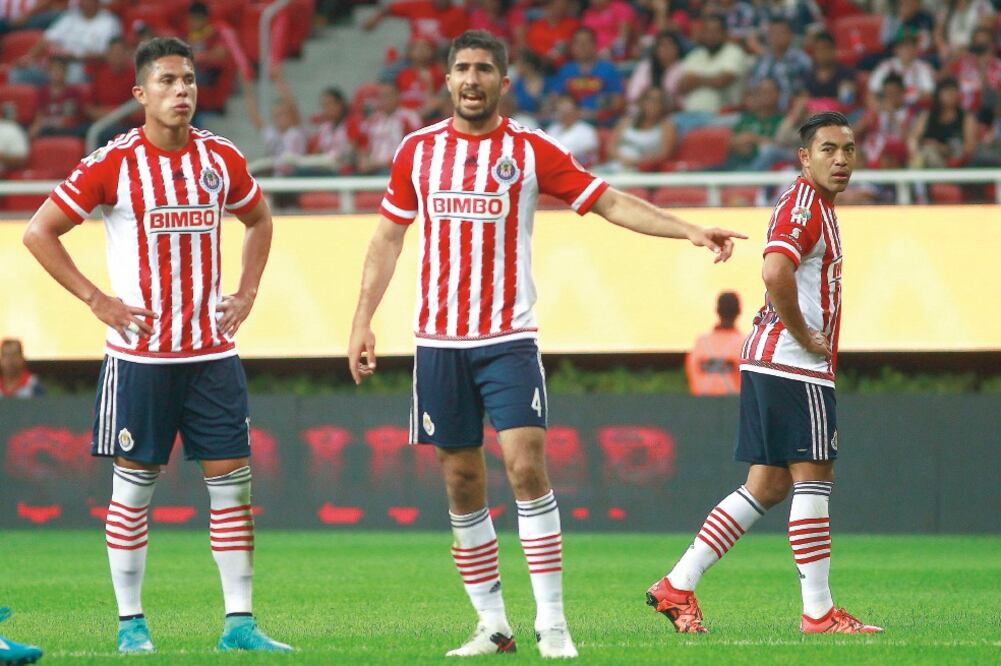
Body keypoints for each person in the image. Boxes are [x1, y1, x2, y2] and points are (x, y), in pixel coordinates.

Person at [347, 29, 746, 659]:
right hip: (438, 343)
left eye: (484, 69)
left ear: (504, 83)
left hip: (508, 337)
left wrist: (688, 230)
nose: (471, 79)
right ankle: (493, 626)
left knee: (527, 467)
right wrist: (362, 319)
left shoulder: (530, 152)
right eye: (461, 69)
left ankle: (554, 624)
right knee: (459, 480)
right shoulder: (417, 152)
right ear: (447, 81)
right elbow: (387, 239)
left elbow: (608, 200)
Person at [21, 37, 291, 655]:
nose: (183, 92)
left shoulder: (220, 158)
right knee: (134, 489)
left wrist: (246, 293)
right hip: (140, 358)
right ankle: (131, 624)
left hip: (211, 355)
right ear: (141, 94)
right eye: (168, 81)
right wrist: (99, 301)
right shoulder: (112, 162)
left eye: (190, 81)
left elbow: (259, 219)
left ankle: (240, 625)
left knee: (233, 486)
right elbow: (40, 233)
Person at [645, 111, 884, 636]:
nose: (841, 158)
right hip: (793, 363)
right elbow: (774, 271)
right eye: (828, 149)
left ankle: (677, 586)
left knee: (767, 485)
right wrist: (804, 337)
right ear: (804, 157)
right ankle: (819, 614)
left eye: (848, 148)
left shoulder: (813, 203)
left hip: (768, 361)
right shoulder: (805, 206)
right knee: (813, 477)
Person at [685, 292, 742, 396]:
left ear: (717, 311)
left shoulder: (700, 344)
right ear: (739, 311)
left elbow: (691, 376)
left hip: (701, 408)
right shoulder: (747, 345)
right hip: (734, 409)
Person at [545, 94, 600, 167]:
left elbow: (588, 157)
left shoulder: (587, 131)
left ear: (576, 110)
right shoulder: (552, 129)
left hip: (578, 170)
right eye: (560, 105)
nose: (561, 108)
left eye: (566, 105)